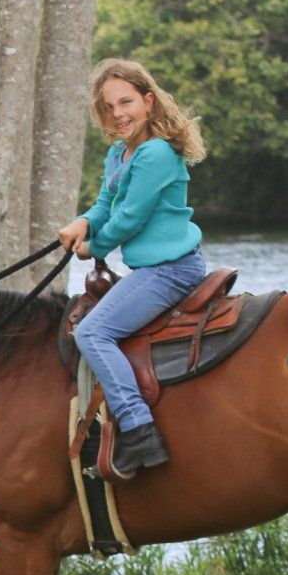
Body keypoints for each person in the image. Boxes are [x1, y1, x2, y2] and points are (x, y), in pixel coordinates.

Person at [57, 58, 209, 476]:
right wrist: (83, 220)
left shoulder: (155, 153)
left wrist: (95, 246)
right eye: (109, 107)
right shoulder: (118, 154)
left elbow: (130, 218)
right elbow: (107, 204)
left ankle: (140, 430)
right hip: (150, 269)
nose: (118, 113)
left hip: (171, 269)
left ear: (148, 101)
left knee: (93, 331)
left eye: (126, 102)